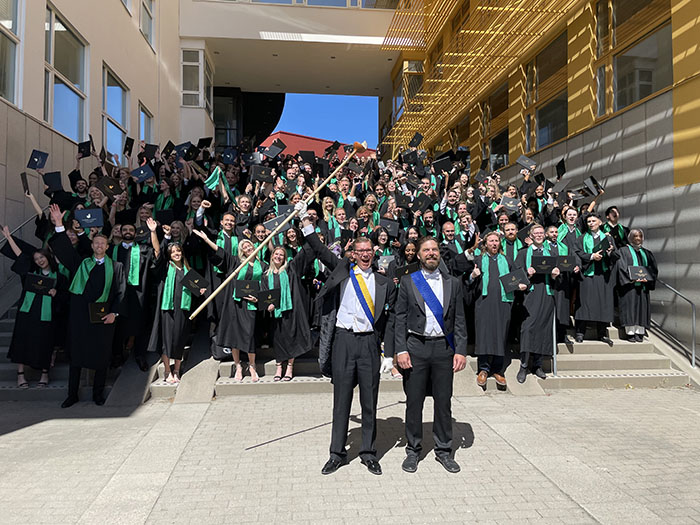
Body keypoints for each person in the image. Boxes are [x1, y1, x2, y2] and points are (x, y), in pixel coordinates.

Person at [302, 208, 396, 476]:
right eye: (360, 251)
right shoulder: (343, 270)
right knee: (341, 400)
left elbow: (390, 321)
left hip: (369, 344)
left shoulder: (384, 283)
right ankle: (337, 453)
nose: (365, 255)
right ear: (353, 253)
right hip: (343, 341)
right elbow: (320, 251)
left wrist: (388, 354)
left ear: (374, 253)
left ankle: (368, 452)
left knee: (369, 401)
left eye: (369, 251)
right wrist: (306, 222)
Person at [393, 237, 467, 473]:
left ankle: (444, 450)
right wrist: (400, 350)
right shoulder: (408, 281)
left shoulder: (453, 283)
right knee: (414, 402)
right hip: (416, 347)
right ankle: (413, 450)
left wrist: (461, 350)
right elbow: (399, 318)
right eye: (426, 250)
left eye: (434, 249)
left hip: (444, 349)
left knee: (443, 402)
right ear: (419, 255)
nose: (431, 253)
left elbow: (459, 319)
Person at [48, 204, 126, 407]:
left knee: (101, 356)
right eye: (96, 243)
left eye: (103, 243)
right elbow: (65, 251)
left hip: (103, 317)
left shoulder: (116, 267)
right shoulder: (81, 263)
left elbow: (121, 292)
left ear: (107, 247)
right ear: (91, 246)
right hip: (80, 317)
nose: (99, 246)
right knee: (77, 356)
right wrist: (59, 224)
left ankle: (98, 394)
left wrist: (114, 313)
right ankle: (72, 394)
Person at [1, 226, 66, 388]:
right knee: (22, 342)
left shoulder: (59, 277)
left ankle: (44, 374)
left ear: (48, 257)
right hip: (27, 312)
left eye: (42, 257)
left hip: (47, 315)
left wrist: (56, 293)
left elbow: (65, 297)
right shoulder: (31, 271)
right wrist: (9, 237)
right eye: (36, 259)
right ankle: (20, 375)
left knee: (45, 343)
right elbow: (20, 255)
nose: (39, 261)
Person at [195, 233, 266, 381]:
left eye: (249, 245)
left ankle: (252, 366)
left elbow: (265, 285)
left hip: (251, 304)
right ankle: (238, 365)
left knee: (250, 335)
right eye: (244, 247)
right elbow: (221, 252)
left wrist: (258, 298)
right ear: (242, 251)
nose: (248, 248)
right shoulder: (235, 262)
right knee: (234, 335)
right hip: (236, 304)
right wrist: (207, 240)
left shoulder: (263, 265)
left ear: (254, 247)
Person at [147, 218, 205, 383]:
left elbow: (198, 289)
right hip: (168, 309)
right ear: (169, 255)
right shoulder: (166, 267)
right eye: (173, 252)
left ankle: (177, 370)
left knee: (180, 340)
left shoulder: (188, 270)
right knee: (167, 341)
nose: (176, 254)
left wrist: (200, 290)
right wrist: (154, 232)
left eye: (178, 251)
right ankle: (167, 370)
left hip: (183, 310)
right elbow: (157, 250)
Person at [469, 231, 526, 389]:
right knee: (484, 334)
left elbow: (516, 278)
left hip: (503, 303)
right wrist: (473, 276)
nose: (494, 243)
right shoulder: (478, 260)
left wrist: (520, 285)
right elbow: (467, 281)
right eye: (491, 241)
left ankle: (497, 370)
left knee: (500, 334)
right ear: (485, 244)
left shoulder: (507, 260)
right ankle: (483, 369)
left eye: (496, 241)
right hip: (483, 303)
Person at [514, 224, 561, 383]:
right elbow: (516, 274)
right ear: (531, 236)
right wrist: (526, 274)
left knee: (543, 329)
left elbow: (559, 278)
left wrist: (555, 276)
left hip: (546, 294)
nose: (539, 235)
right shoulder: (523, 253)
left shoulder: (551, 253)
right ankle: (524, 365)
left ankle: (538, 365)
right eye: (536, 233)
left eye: (541, 233)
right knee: (527, 328)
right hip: (530, 295)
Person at [110, 222, 154, 371]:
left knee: (139, 324)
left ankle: (140, 355)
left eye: (131, 230)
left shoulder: (143, 250)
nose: (128, 232)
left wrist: (154, 233)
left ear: (135, 234)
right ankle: (117, 356)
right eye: (125, 229)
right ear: (121, 232)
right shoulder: (112, 250)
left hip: (137, 293)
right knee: (117, 326)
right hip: (117, 293)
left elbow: (157, 255)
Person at [574, 214, 618, 344]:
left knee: (602, 303)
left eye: (594, 221)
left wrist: (609, 252)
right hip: (588, 275)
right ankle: (580, 332)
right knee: (584, 303)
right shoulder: (582, 238)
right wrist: (592, 256)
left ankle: (602, 333)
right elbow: (577, 253)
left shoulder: (608, 238)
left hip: (603, 275)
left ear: (600, 222)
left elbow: (615, 255)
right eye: (589, 221)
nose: (591, 223)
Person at [615, 229, 658, 342]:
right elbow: (621, 267)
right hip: (629, 287)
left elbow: (653, 269)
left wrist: (648, 278)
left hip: (643, 287)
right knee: (629, 308)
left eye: (640, 236)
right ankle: (630, 333)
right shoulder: (623, 251)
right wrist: (631, 278)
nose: (638, 238)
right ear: (630, 238)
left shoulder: (647, 253)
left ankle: (640, 332)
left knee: (642, 309)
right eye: (635, 236)